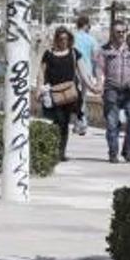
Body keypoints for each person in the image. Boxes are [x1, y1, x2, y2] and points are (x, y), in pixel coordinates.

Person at [38, 26, 99, 161]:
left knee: (64, 123)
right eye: (60, 39)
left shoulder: (74, 53)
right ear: (56, 39)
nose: (63, 42)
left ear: (69, 39)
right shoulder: (48, 54)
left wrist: (92, 87)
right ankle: (54, 149)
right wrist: (39, 89)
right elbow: (41, 72)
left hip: (70, 95)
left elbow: (83, 73)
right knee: (57, 121)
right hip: (53, 94)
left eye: (66, 39)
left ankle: (60, 153)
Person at [96, 20, 130, 164]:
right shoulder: (104, 49)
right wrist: (99, 84)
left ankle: (127, 150)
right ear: (112, 32)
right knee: (112, 124)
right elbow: (99, 69)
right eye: (118, 32)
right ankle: (113, 153)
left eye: (123, 31)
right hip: (112, 89)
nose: (121, 34)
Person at [73, 15, 99, 135]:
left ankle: (77, 123)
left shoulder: (72, 37)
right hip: (86, 72)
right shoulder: (91, 39)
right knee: (82, 98)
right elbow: (95, 57)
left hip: (72, 71)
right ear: (86, 25)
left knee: (73, 98)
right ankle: (81, 123)